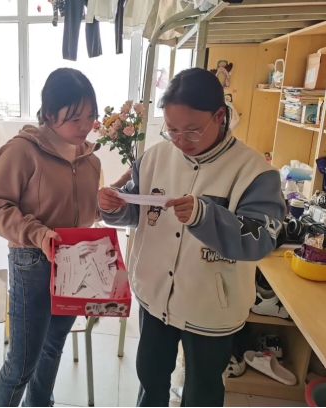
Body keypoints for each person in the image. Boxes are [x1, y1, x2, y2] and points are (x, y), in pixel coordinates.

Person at [98, 68, 285, 407]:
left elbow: (261, 238)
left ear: (220, 116)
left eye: (192, 131)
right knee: (150, 377)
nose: (181, 140)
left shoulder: (254, 172)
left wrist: (205, 216)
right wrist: (113, 206)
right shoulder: (155, 157)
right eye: (172, 130)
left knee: (203, 390)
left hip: (211, 306)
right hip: (154, 294)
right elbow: (137, 210)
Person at [0, 68, 101, 407]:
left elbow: (85, 211)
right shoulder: (22, 151)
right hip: (33, 261)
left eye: (91, 116)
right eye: (75, 118)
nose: (85, 126)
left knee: (53, 347)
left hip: (75, 262)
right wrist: (38, 234)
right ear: (49, 114)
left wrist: (106, 203)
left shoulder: (89, 158)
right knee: (21, 364)